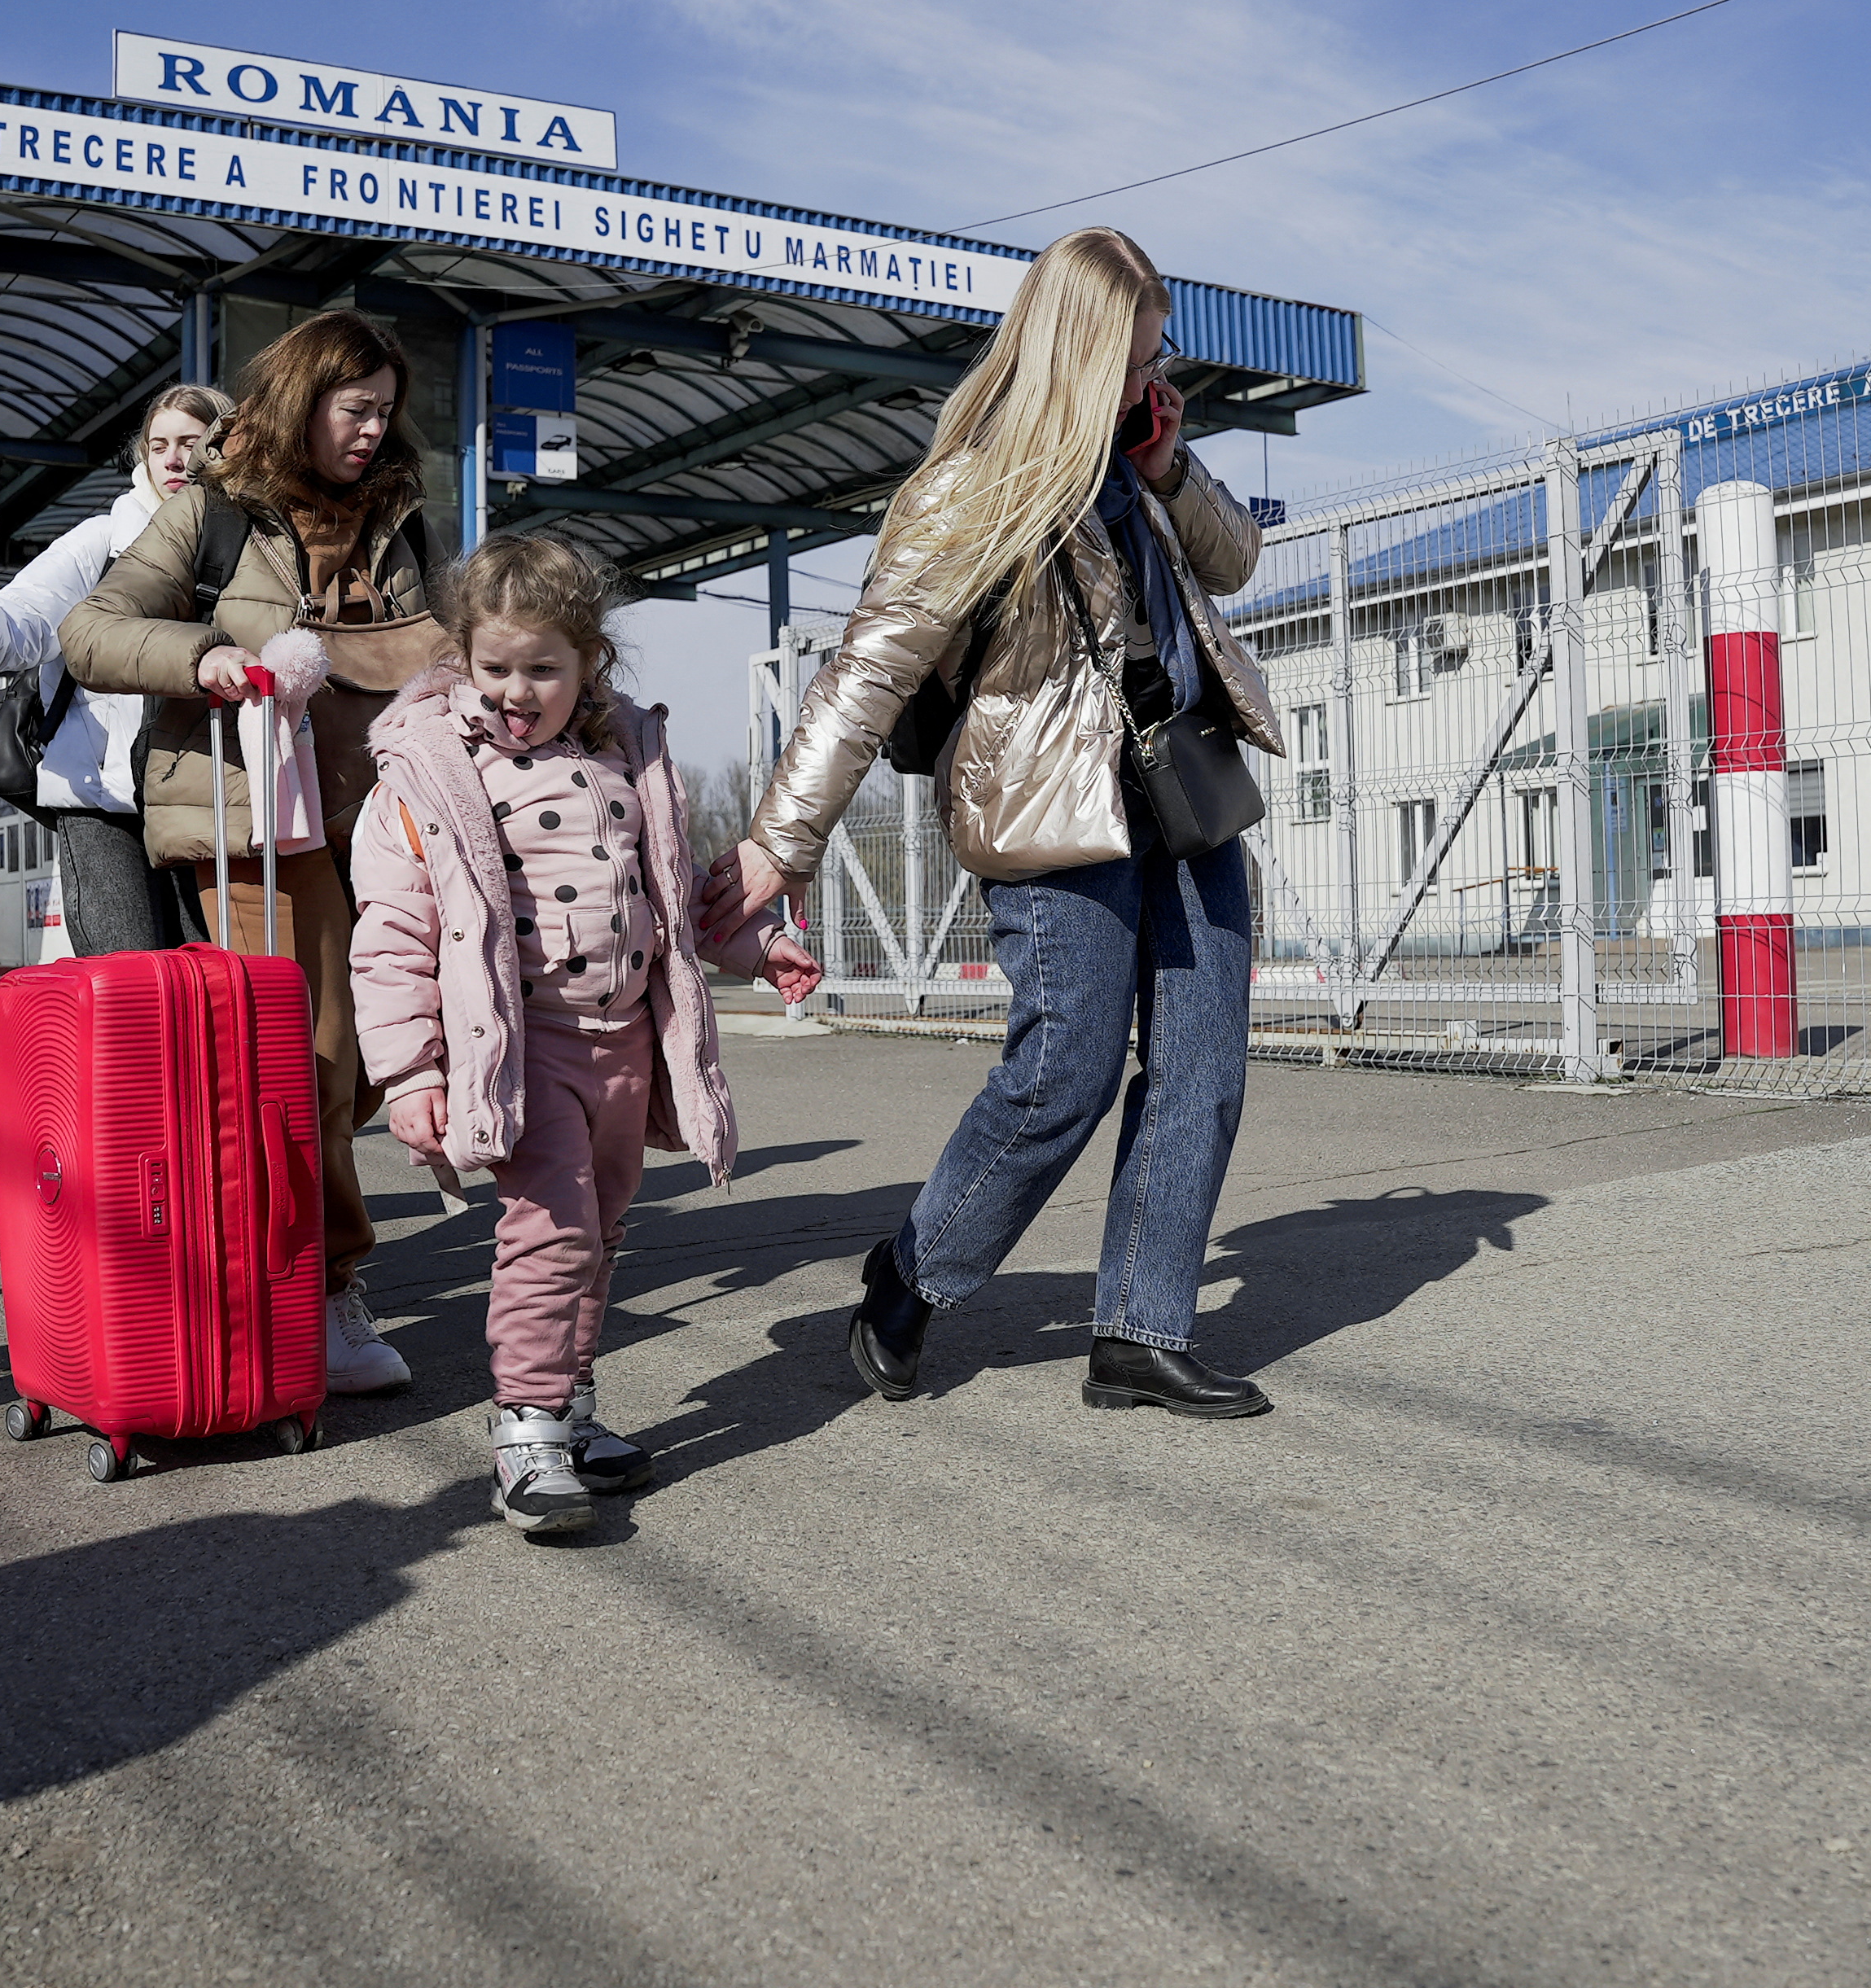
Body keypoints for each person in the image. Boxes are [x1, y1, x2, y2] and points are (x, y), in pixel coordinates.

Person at [702, 226, 1286, 1419]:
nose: (1150, 380)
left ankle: (1141, 1329)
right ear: (1074, 355)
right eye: (1133, 358)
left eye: (1156, 356)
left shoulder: (1142, 464)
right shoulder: (971, 486)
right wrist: (780, 841)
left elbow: (1236, 563)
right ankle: (915, 1273)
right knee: (1061, 1070)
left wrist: (1172, 465)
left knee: (1204, 1067)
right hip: (1045, 810)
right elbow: (863, 677)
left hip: (1182, 792)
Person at [353, 535, 822, 1533]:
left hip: (625, 1047)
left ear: (588, 663)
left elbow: (675, 892)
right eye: (494, 668)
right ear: (463, 659)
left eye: (542, 669)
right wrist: (410, 1073)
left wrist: (756, 944)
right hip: (522, 1050)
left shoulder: (623, 758)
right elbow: (392, 935)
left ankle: (568, 1408)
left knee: (601, 1236)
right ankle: (524, 1424)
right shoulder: (433, 773)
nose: (515, 691)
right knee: (550, 1235)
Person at [61, 314, 444, 1398]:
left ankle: (284, 1247)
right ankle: (323, 1292)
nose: (371, 430)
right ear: (299, 398)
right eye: (352, 407)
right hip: (264, 833)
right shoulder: (210, 512)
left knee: (379, 1057)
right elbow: (92, 629)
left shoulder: (398, 522)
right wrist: (208, 655)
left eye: (383, 410)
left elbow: (435, 645)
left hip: (386, 823)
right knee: (313, 1062)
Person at [0, 384, 233, 955]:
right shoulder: (102, 544)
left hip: (212, 801)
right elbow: (17, 622)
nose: (174, 459)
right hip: (101, 800)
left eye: (192, 443)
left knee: (213, 983)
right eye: (158, 445)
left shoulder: (253, 546)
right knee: (127, 982)